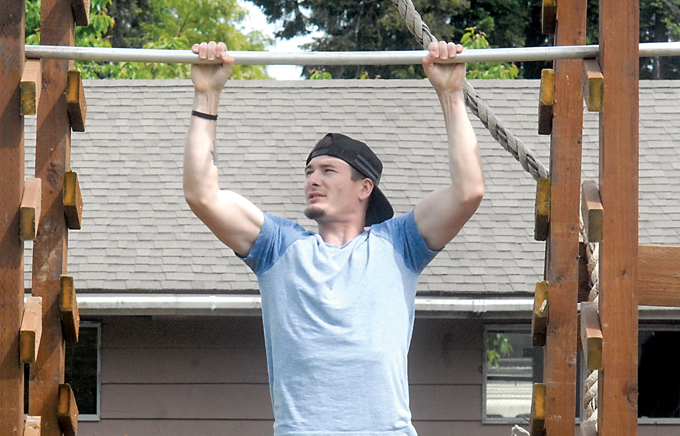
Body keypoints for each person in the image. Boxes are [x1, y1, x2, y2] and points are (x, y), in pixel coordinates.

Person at [183, 40, 484, 436]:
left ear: (365, 189)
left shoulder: (399, 245)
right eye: (309, 171)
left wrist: (450, 94)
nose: (312, 179)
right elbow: (201, 195)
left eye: (328, 170)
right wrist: (207, 94)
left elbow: (468, 192)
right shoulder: (279, 247)